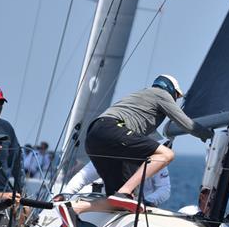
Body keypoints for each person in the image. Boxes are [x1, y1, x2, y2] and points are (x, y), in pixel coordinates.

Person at [85, 74, 212, 211]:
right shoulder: (162, 94)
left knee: (117, 203)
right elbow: (186, 123)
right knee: (166, 154)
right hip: (113, 129)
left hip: (94, 135)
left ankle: (75, 209)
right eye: (176, 96)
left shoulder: (140, 96)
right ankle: (125, 192)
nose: (175, 100)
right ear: (170, 89)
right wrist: (210, 135)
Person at [62, 161, 171, 207]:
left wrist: (145, 202)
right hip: (110, 205)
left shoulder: (155, 158)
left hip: (143, 210)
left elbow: (164, 190)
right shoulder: (108, 152)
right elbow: (83, 177)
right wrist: (65, 194)